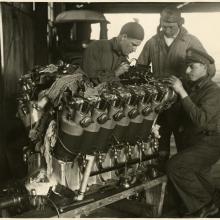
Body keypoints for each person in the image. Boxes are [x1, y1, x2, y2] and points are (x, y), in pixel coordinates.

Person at [137, 6, 216, 163]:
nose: (166, 30)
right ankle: (160, 170)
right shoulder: (152, 42)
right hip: (158, 102)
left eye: (170, 27)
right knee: (159, 141)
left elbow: (210, 70)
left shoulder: (191, 41)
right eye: (163, 26)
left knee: (184, 145)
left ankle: (180, 175)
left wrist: (187, 85)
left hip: (182, 102)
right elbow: (140, 69)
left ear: (180, 22)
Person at [165, 48, 220, 217]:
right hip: (194, 142)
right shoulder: (193, 87)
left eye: (192, 67)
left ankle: (205, 205)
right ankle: (212, 200)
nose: (187, 71)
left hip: (210, 144)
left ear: (204, 67)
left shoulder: (213, 91)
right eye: (186, 67)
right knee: (197, 174)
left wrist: (181, 92)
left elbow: (201, 120)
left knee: (175, 167)